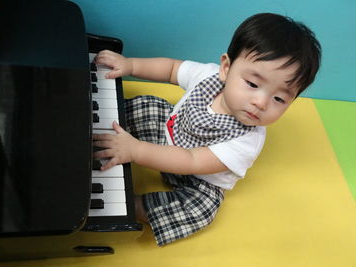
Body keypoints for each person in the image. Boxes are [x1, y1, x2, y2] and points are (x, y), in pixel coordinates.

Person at [93, 13, 321, 246]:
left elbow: (191, 160)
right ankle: (100, 125)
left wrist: (137, 150)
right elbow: (171, 69)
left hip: (197, 179)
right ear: (226, 68)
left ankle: (130, 206)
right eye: (252, 84)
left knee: (200, 211)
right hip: (168, 133)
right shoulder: (208, 76)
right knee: (149, 105)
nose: (261, 103)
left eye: (279, 99)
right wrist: (130, 64)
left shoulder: (246, 141)